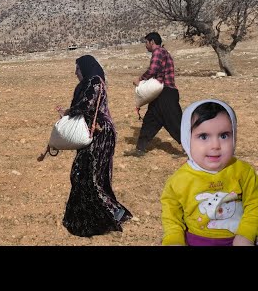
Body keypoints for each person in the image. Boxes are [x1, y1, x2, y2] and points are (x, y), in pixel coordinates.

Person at [161, 99, 258, 246]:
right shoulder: (178, 180)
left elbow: (254, 205)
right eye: (204, 136)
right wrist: (174, 239)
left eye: (224, 136)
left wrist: (246, 235)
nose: (215, 146)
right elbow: (171, 217)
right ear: (187, 139)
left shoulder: (243, 172)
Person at [61, 55, 132, 237]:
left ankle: (109, 215)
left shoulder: (93, 82)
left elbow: (87, 105)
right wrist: (69, 113)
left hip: (100, 135)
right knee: (84, 174)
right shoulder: (89, 83)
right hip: (92, 133)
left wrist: (70, 113)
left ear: (85, 67)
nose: (75, 72)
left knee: (91, 175)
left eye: (77, 68)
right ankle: (106, 214)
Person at [124, 32, 183, 157]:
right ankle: (140, 149)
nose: (145, 45)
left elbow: (153, 70)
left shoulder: (158, 52)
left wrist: (140, 79)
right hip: (161, 94)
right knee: (150, 120)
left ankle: (192, 150)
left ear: (152, 42)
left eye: (146, 42)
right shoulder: (164, 52)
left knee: (175, 122)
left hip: (166, 93)